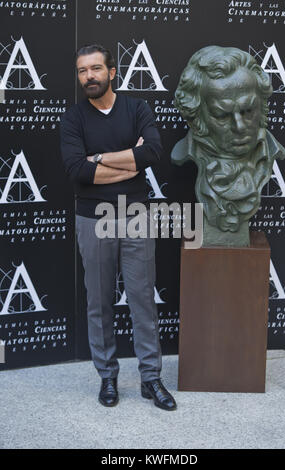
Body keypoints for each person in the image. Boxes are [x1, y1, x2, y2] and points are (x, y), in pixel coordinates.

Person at [60, 44, 177, 411]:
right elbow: (77, 170)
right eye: (82, 71)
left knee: (142, 298)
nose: (89, 77)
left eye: (96, 69)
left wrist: (101, 160)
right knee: (99, 301)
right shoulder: (73, 117)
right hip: (92, 218)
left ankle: (150, 378)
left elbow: (153, 152)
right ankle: (107, 376)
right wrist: (129, 163)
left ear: (112, 72)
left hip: (135, 214)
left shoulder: (136, 108)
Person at [171, 46, 285, 246]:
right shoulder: (186, 150)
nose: (239, 126)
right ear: (198, 115)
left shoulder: (271, 149)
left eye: (248, 110)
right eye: (222, 115)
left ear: (262, 105)